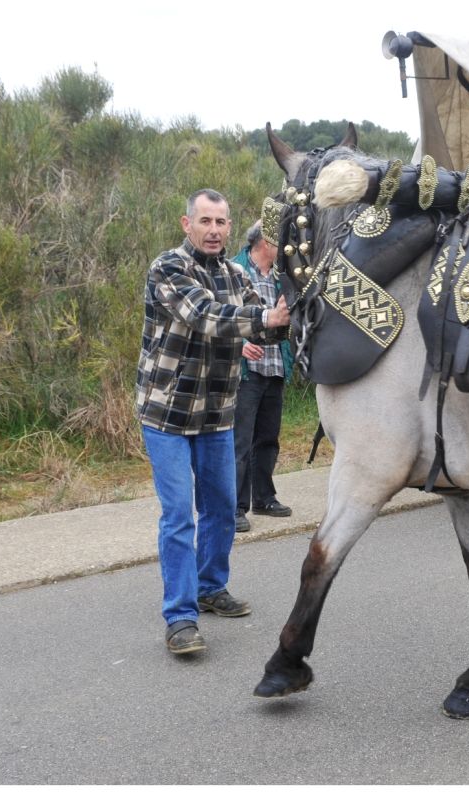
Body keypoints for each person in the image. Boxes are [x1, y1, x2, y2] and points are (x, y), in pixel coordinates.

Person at [136, 188, 290, 656]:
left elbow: (265, 324)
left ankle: (210, 588)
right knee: (180, 515)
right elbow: (204, 316)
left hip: (217, 413)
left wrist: (282, 318)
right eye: (205, 221)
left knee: (223, 509)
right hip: (167, 413)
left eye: (221, 222)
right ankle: (181, 618)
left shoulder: (235, 273)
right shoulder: (168, 268)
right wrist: (262, 317)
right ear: (188, 225)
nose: (214, 230)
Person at [232, 219, 293, 532]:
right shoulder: (233, 270)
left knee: (268, 438)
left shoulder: (283, 276)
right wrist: (240, 345)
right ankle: (235, 507)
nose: (283, 246)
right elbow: (217, 317)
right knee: (239, 441)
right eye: (278, 240)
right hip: (246, 371)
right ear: (264, 243)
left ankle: (264, 498)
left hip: (275, 365)